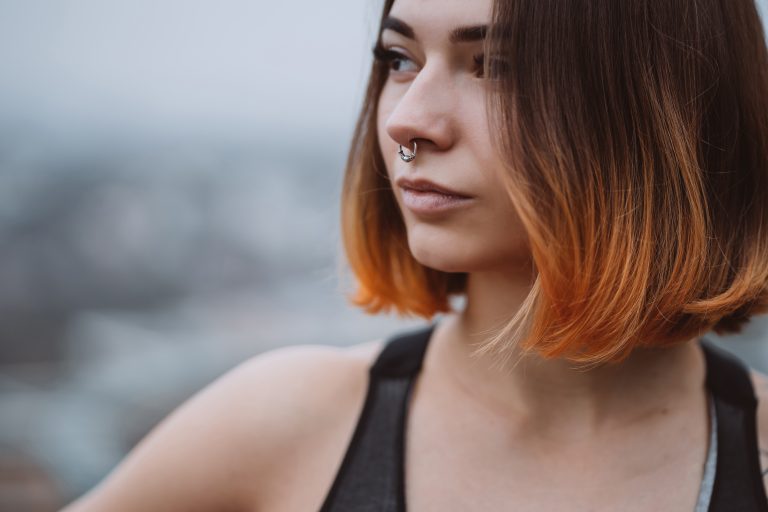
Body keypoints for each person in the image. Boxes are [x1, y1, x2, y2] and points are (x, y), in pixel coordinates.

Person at [62, 0, 768, 510]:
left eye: (495, 65)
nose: (407, 120)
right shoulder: (287, 423)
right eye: (400, 60)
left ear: (663, 107)